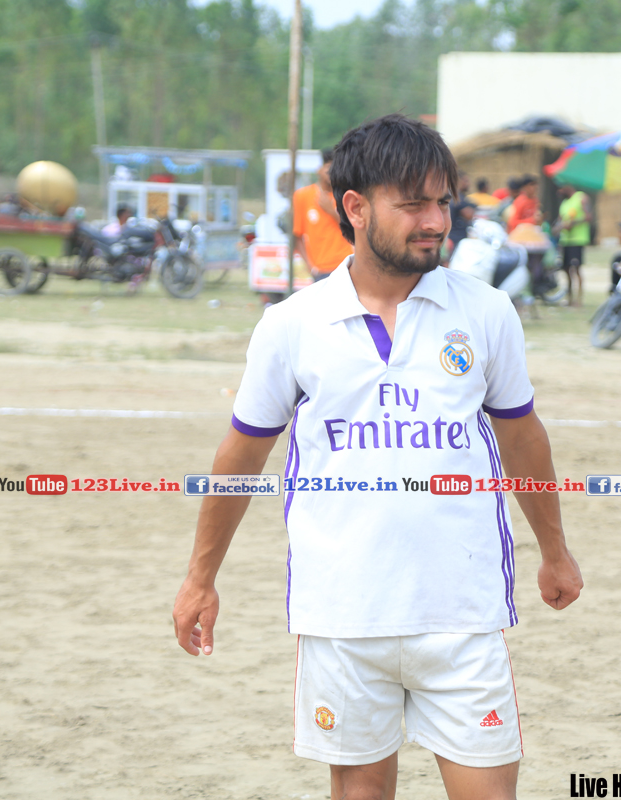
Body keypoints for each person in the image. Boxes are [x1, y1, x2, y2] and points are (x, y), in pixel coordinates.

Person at [171, 113, 583, 800]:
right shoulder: (292, 325)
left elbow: (522, 436)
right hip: (343, 615)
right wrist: (199, 579)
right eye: (414, 204)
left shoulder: (485, 313)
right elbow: (241, 456)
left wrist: (555, 550)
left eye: (442, 201)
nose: (436, 221)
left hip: (462, 611)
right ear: (356, 208)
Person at [292, 148, 354, 281]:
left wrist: (331, 211)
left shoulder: (346, 196)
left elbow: (353, 228)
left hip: (346, 266)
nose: (332, 174)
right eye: (329, 169)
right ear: (319, 170)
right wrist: (310, 266)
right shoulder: (303, 196)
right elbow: (297, 235)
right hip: (321, 270)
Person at [552, 184, 592, 306]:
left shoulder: (580, 198)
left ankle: (579, 300)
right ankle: (569, 299)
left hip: (577, 240)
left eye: (561, 189)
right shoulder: (564, 203)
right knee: (566, 269)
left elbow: (588, 217)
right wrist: (557, 228)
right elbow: (560, 220)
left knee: (576, 269)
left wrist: (572, 223)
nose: (559, 192)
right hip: (565, 241)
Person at [448, 173, 478, 255]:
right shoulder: (458, 197)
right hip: (456, 239)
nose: (468, 184)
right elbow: (469, 215)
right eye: (466, 181)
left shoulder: (451, 195)